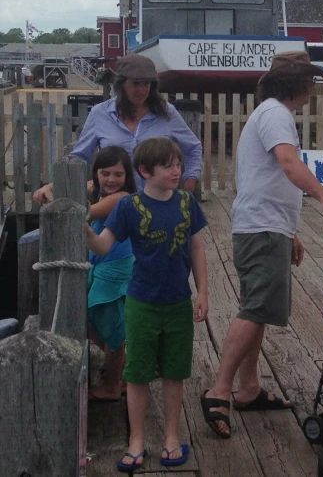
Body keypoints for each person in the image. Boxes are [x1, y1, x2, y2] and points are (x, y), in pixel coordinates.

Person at [201, 51, 323, 438]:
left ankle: (249, 388)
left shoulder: (269, 112)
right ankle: (219, 390)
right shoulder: (276, 115)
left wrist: (288, 230)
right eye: (308, 78)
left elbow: (260, 178)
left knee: (257, 308)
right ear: (294, 83)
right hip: (261, 229)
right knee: (255, 308)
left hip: (264, 227)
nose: (312, 85)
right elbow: (288, 164)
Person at [86, 137, 209, 470]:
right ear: (144, 171)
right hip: (141, 302)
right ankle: (136, 441)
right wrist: (78, 223)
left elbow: (197, 248)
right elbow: (100, 246)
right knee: (137, 373)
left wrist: (203, 292)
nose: (177, 170)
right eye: (168, 165)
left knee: (174, 371)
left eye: (178, 164)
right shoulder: (128, 207)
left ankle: (171, 437)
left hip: (179, 302)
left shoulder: (187, 202)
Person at [33, 53, 202, 203]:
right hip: (113, 207)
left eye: (146, 83)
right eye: (135, 83)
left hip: (159, 205)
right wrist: (52, 186)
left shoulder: (167, 113)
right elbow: (79, 159)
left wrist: (190, 182)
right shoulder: (100, 114)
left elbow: (193, 147)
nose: (142, 90)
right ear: (121, 84)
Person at [86, 146, 137, 402]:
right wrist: (47, 188)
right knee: (95, 323)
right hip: (100, 265)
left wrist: (58, 201)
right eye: (105, 173)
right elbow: (63, 185)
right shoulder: (96, 189)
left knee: (113, 330)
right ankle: (125, 373)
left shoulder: (122, 198)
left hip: (116, 268)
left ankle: (112, 385)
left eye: (118, 174)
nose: (111, 180)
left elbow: (86, 213)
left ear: (127, 176)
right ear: (96, 173)